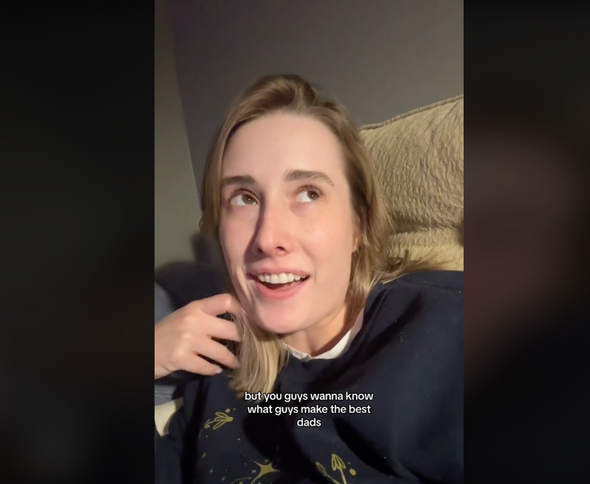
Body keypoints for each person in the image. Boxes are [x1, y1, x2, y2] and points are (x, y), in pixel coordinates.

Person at [154, 74, 463, 484]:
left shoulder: (449, 331)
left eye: (308, 193)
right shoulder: (214, 369)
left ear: (359, 224)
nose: (268, 238)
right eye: (244, 198)